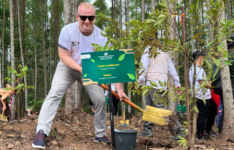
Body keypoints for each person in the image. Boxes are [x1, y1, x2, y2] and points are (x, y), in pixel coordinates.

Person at [32, 2, 128, 149]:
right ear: (77, 17)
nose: (87, 21)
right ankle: (41, 132)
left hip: (92, 70)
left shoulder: (102, 36)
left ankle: (100, 134)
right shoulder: (67, 31)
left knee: (100, 100)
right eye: (83, 17)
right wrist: (82, 69)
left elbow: (112, 66)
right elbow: (64, 57)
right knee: (54, 93)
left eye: (90, 18)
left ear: (95, 18)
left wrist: (119, 90)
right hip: (68, 66)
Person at [138, 45, 185, 140]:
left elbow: (143, 68)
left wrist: (139, 82)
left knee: (162, 108)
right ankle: (147, 129)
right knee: (149, 107)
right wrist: (177, 82)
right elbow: (171, 68)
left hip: (152, 82)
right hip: (162, 83)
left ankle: (180, 130)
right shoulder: (164, 51)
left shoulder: (148, 50)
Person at [189, 51, 217, 140]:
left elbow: (205, 81)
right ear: (200, 57)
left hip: (205, 95)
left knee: (213, 107)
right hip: (201, 96)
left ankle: (208, 129)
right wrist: (214, 85)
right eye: (203, 57)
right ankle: (200, 136)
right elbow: (202, 83)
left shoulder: (199, 68)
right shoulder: (196, 69)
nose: (204, 59)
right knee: (202, 115)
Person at [212, 36, 234, 134]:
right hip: (231, 88)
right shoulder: (231, 56)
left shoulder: (221, 58)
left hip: (222, 88)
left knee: (226, 110)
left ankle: (222, 132)